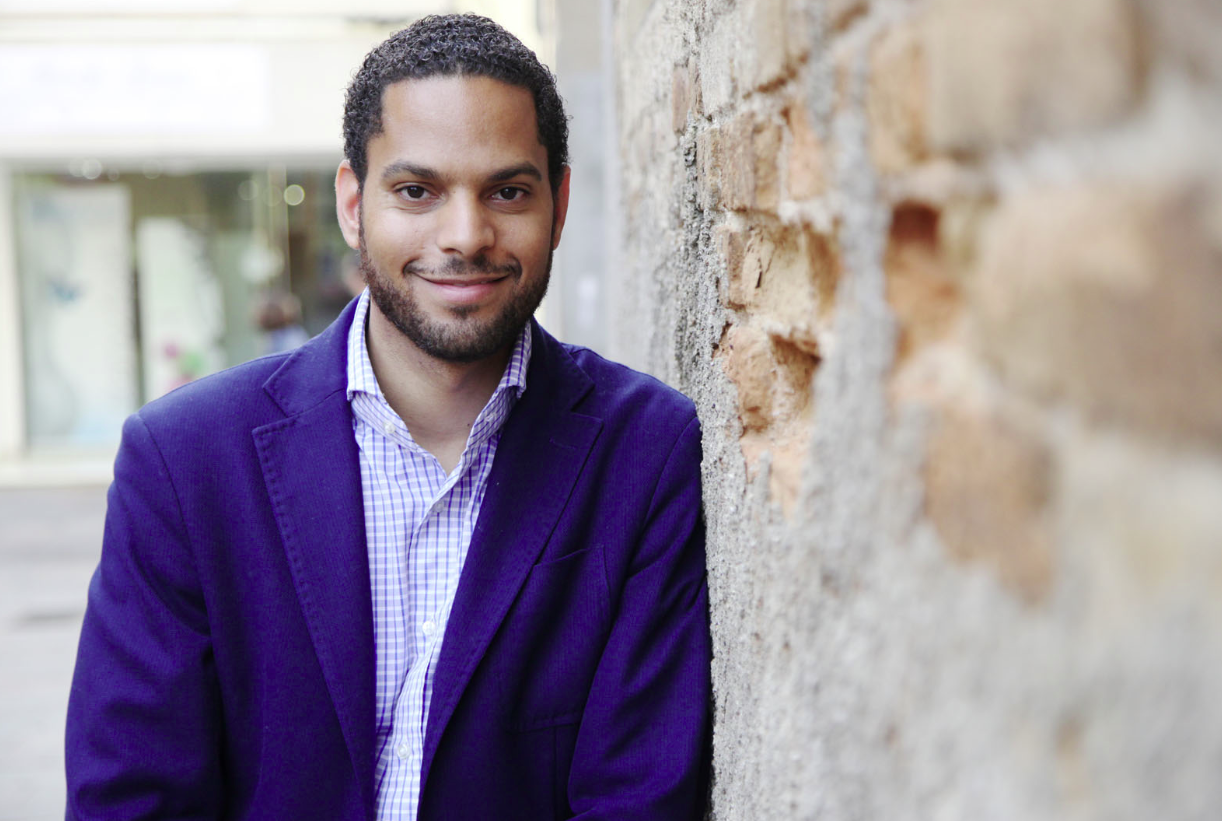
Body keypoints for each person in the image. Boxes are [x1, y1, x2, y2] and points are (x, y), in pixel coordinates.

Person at [65, 14, 710, 821]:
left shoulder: (645, 450)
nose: (466, 235)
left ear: (562, 201)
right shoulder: (184, 461)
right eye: (418, 191)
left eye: (507, 191)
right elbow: (133, 799)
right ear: (351, 204)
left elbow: (638, 799)